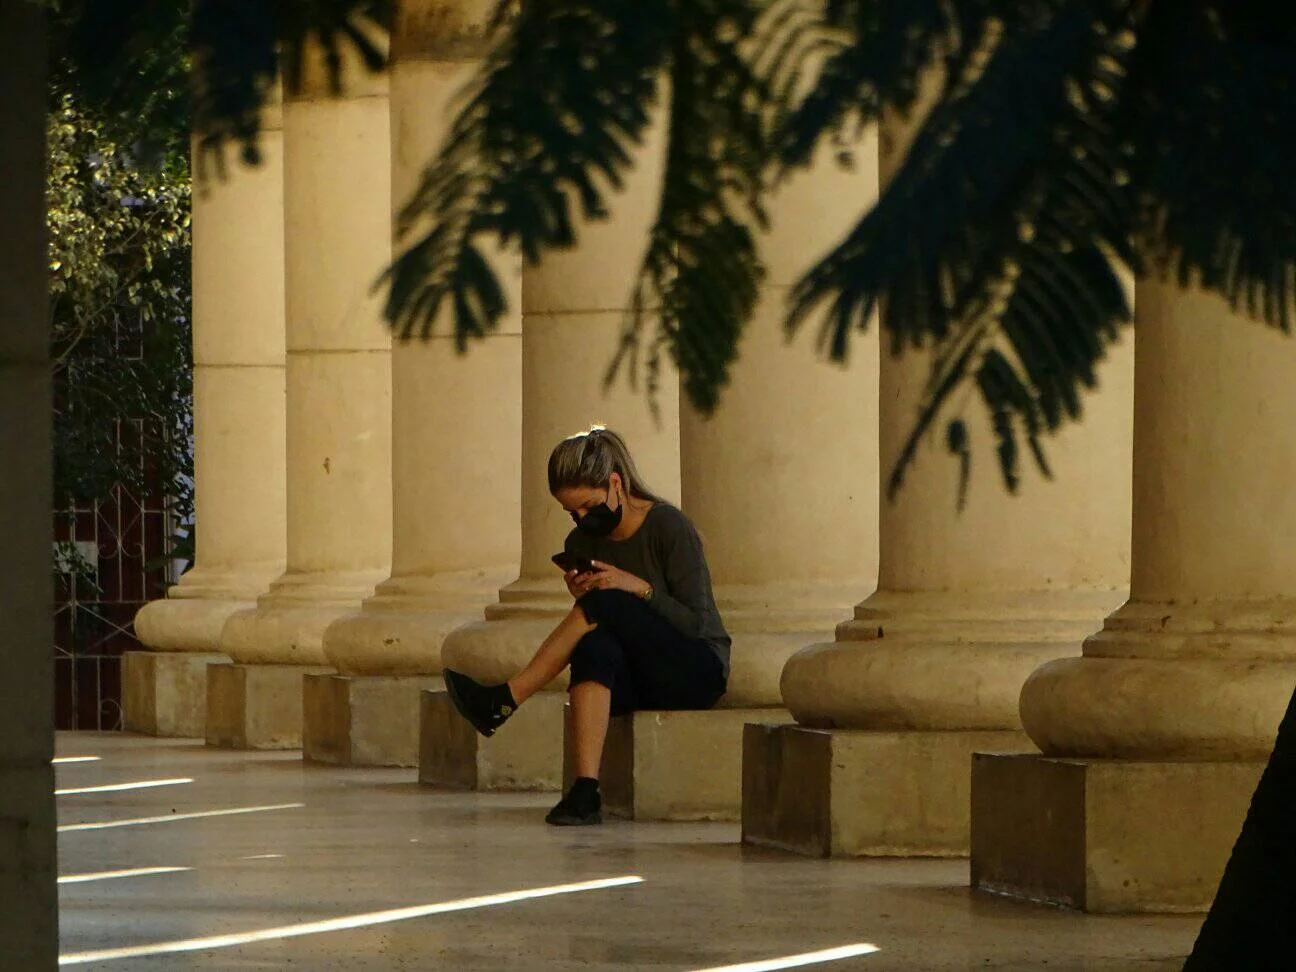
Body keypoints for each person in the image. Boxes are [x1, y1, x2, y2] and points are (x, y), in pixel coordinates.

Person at [442, 426, 731, 826]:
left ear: (616, 483)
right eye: (571, 512)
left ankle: (505, 699)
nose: (581, 518)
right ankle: (584, 790)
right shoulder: (583, 540)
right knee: (594, 647)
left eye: (589, 506)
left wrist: (637, 589)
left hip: (695, 669)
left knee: (610, 601)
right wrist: (584, 595)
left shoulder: (668, 527)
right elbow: (605, 622)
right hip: (636, 675)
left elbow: (697, 625)